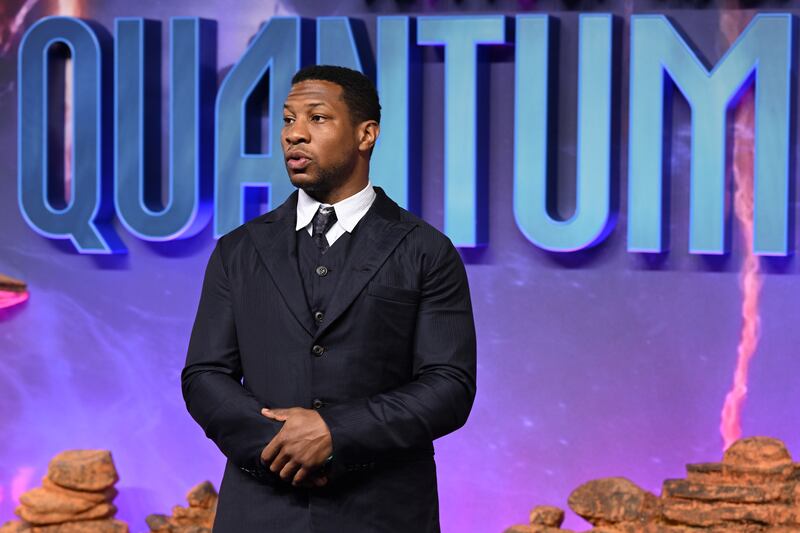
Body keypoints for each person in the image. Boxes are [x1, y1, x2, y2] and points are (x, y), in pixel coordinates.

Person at [181, 65, 476, 532]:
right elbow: (204, 375)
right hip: (260, 511)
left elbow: (449, 386)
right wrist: (280, 446)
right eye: (287, 119)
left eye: (317, 118)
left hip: (384, 513)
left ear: (366, 135)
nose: (294, 134)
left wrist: (335, 432)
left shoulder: (426, 250)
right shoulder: (238, 250)